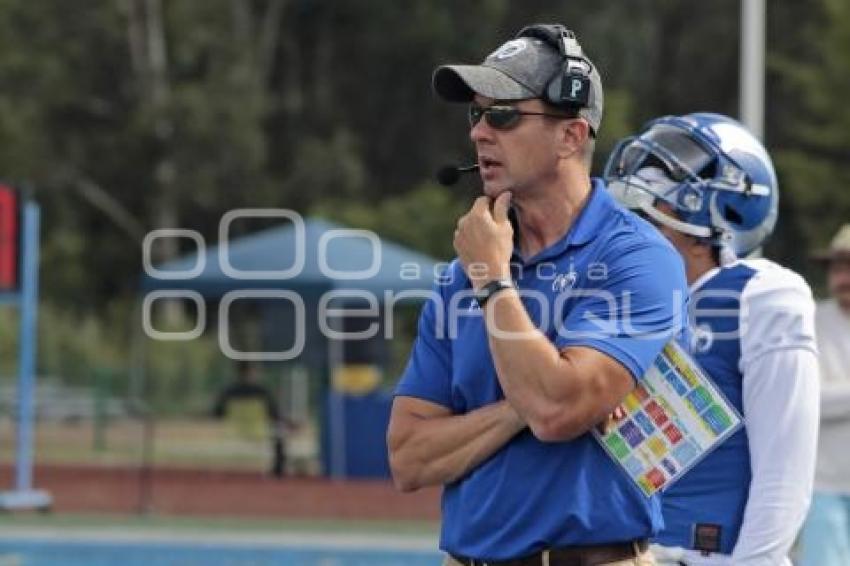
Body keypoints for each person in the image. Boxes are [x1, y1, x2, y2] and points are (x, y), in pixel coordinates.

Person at [387, 23, 687, 565]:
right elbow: (409, 458)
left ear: (571, 136)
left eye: (502, 114)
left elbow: (555, 409)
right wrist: (521, 405)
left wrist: (493, 282)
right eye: (475, 114)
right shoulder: (465, 271)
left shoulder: (638, 258)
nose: (479, 133)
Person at [605, 112, 820, 565]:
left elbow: (784, 470)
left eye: (655, 206)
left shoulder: (760, 295)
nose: (639, 215)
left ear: (731, 206)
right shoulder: (615, 297)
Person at [800, 224, 850, 566]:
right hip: (823, 486)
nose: (842, 276)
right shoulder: (811, 319)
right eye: (836, 267)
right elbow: (808, 400)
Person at [212, 361, 296, 477]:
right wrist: (290, 423)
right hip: (259, 432)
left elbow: (218, 414)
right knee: (279, 435)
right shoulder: (262, 392)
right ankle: (278, 471)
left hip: (233, 432)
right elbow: (275, 414)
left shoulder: (228, 392)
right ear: (253, 373)